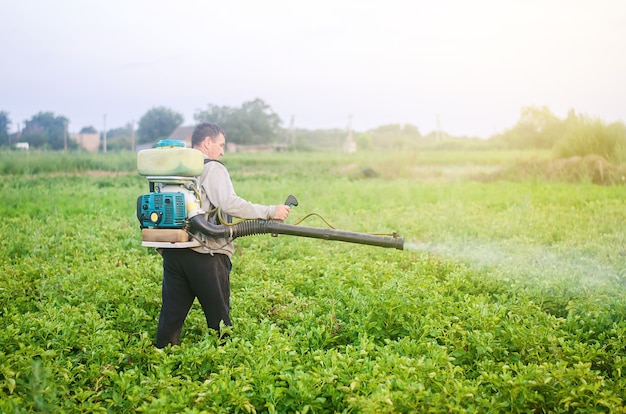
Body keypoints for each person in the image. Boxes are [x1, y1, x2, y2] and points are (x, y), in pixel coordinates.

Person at [156, 122, 290, 348]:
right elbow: (229, 203)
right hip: (205, 253)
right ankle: (226, 368)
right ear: (207, 143)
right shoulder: (212, 168)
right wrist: (269, 212)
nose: (222, 151)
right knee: (220, 321)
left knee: (171, 315)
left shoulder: (173, 171)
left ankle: (161, 359)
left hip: (175, 252)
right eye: (220, 144)